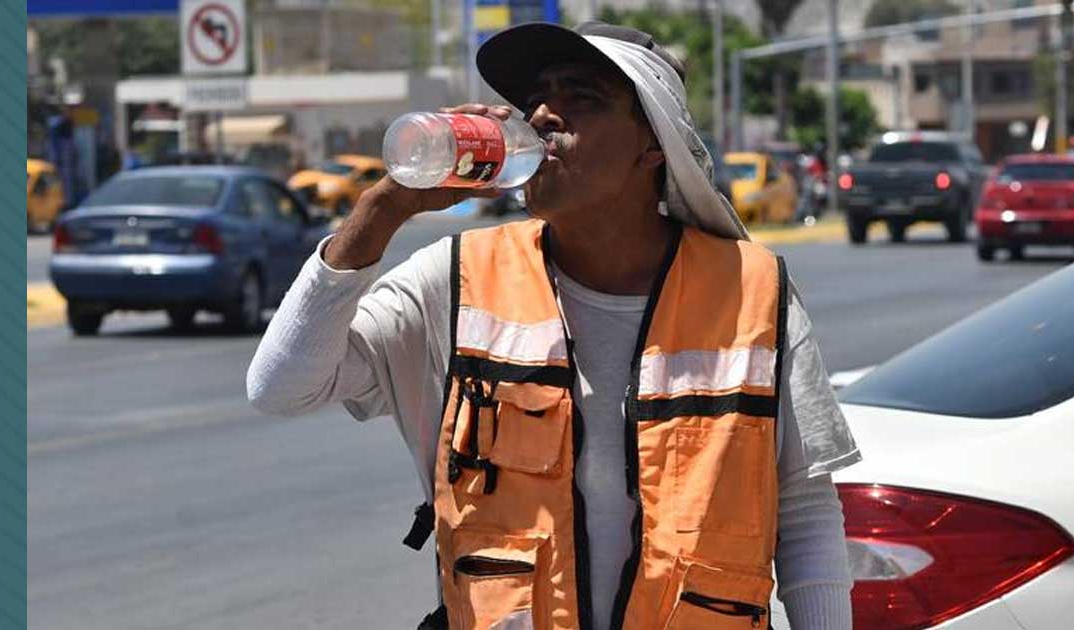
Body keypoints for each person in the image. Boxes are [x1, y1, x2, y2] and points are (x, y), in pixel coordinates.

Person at [248, 21, 860, 630]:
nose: (542, 116)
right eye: (537, 97)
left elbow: (804, 512)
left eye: (582, 98)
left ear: (654, 145)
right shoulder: (456, 280)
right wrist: (384, 207)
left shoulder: (753, 291)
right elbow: (279, 386)